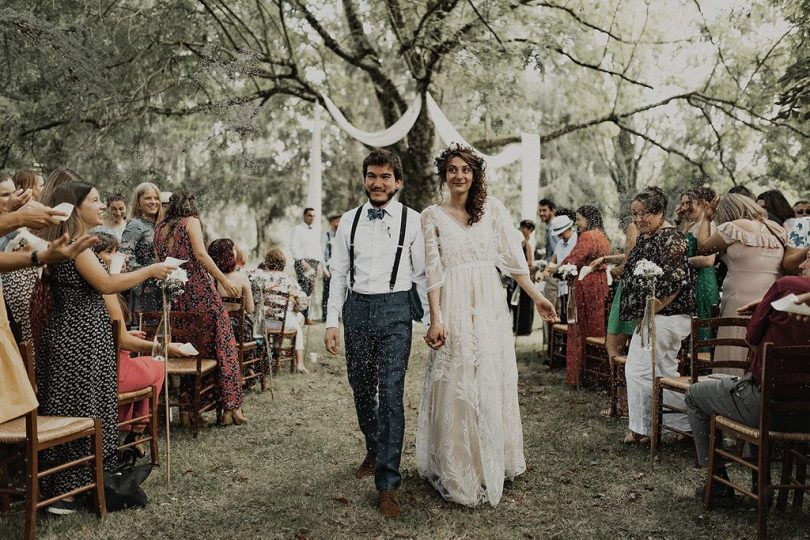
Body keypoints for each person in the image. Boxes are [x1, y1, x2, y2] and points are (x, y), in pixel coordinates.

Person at [416, 144, 556, 508]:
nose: (458, 175)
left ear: (475, 174)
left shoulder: (492, 209)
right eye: (451, 169)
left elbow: (513, 261)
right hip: (453, 304)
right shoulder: (430, 216)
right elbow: (432, 270)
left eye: (465, 169)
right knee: (457, 380)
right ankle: (458, 466)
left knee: (489, 377)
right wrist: (436, 317)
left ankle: (495, 458)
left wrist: (537, 295)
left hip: (490, 306)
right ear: (444, 176)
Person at [31, 180, 174, 514]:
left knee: (88, 408)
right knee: (77, 410)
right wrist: (152, 270)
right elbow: (107, 283)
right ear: (76, 207)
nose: (102, 206)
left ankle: (81, 484)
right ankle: (66, 493)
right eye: (95, 200)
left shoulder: (78, 244)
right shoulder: (77, 246)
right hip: (75, 338)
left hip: (84, 335)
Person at [323, 148, 429, 519]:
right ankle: (374, 445)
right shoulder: (348, 221)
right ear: (364, 178)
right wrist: (332, 321)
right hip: (357, 310)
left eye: (386, 177)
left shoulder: (412, 221)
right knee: (362, 387)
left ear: (397, 182)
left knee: (392, 394)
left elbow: (421, 276)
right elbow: (338, 274)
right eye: (372, 175)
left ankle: (388, 484)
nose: (378, 183)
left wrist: (431, 320)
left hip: (396, 310)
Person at [685, 258, 810, 502]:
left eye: (809, 258)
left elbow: (752, 338)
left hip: (766, 408)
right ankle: (757, 480)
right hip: (805, 417)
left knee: (695, 395)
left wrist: (768, 308)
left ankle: (718, 484)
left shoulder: (788, 285)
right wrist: (769, 306)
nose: (802, 264)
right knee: (748, 385)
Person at [91, 233, 190, 456]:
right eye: (109, 252)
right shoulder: (106, 291)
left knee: (148, 366)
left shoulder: (103, 289)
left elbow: (110, 334)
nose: (117, 257)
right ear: (93, 260)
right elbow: (121, 340)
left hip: (107, 369)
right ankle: (136, 430)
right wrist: (164, 348)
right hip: (114, 375)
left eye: (117, 251)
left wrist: (129, 334)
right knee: (158, 364)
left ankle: (130, 429)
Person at [154, 191, 245, 425]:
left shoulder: (160, 228)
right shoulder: (190, 222)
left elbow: (160, 261)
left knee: (191, 351)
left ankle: (187, 412)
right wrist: (224, 281)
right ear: (191, 206)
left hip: (176, 295)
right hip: (199, 292)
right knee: (224, 346)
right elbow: (201, 256)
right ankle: (230, 408)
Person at [620, 187, 695, 444]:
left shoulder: (671, 238)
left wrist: (649, 313)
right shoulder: (645, 237)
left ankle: (642, 429)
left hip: (669, 315)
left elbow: (675, 284)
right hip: (655, 314)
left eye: (644, 214)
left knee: (637, 370)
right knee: (664, 372)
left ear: (660, 212)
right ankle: (684, 424)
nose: (638, 219)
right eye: (634, 214)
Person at [694, 193, 785, 371]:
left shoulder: (734, 226)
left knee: (735, 348)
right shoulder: (777, 228)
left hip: (739, 299)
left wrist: (706, 218)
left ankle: (732, 389)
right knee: (763, 345)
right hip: (770, 299)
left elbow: (704, 248)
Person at [559, 205, 611, 387]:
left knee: (581, 328)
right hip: (601, 283)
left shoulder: (588, 236)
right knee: (598, 326)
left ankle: (582, 375)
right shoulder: (603, 236)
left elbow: (574, 258)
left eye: (579, 219)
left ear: (588, 219)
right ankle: (599, 373)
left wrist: (558, 269)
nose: (577, 224)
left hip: (586, 285)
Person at [253, 247, 309, 373]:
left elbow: (255, 298)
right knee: (298, 322)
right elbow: (303, 303)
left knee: (292, 318)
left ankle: (273, 357)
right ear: (283, 263)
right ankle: (299, 363)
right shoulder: (289, 280)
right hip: (284, 323)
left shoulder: (260, 277)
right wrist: (296, 306)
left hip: (264, 322)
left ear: (267, 262)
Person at [592, 222, 639, 362]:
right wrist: (606, 259)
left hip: (629, 289)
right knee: (636, 346)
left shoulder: (634, 226)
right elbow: (631, 255)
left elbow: (628, 262)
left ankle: (615, 382)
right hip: (640, 289)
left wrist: (611, 272)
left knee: (613, 345)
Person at [681, 187, 720, 343]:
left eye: (688, 203)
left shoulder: (709, 226)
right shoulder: (691, 225)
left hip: (703, 282)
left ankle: (702, 362)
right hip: (691, 281)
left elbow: (708, 260)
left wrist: (683, 262)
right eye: (682, 204)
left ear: (704, 204)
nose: (684, 208)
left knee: (702, 321)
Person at [121, 182, 163, 322]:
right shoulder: (135, 225)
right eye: (148, 198)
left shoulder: (160, 225)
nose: (153, 202)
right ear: (138, 203)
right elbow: (125, 256)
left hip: (163, 288)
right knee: (145, 332)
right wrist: (148, 272)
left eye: (156, 198)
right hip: (143, 290)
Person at [208, 237, 255, 343]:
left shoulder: (210, 278)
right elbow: (250, 309)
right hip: (237, 331)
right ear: (229, 255)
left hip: (217, 329)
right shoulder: (242, 278)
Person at [540, 214, 578, 321]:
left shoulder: (577, 240)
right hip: (562, 286)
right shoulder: (560, 243)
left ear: (569, 229)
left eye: (562, 234)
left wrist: (557, 268)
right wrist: (543, 274)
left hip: (572, 284)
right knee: (563, 316)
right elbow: (553, 261)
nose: (560, 237)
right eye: (559, 235)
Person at [290, 207, 322, 323]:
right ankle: (301, 316)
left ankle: (307, 316)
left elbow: (317, 249)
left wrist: (318, 264)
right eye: (309, 215)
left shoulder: (315, 230)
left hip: (313, 263)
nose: (312, 218)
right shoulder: (298, 229)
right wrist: (301, 261)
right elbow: (293, 246)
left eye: (313, 216)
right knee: (302, 289)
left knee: (310, 290)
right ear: (304, 216)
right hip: (302, 262)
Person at [538, 198, 559, 341]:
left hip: (553, 275)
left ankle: (552, 347)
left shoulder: (554, 228)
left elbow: (557, 254)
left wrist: (546, 270)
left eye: (544, 210)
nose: (541, 213)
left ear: (552, 210)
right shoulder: (549, 227)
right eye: (539, 211)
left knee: (551, 310)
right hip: (549, 271)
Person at [513, 219, 536, 335]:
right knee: (519, 302)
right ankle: (518, 327)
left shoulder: (528, 244)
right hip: (520, 275)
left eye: (524, 228)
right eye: (521, 228)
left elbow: (531, 262)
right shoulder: (520, 243)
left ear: (530, 230)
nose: (522, 230)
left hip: (527, 276)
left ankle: (526, 328)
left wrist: (519, 266)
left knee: (526, 303)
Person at [321, 214, 340, 319]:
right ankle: (325, 314)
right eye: (335, 221)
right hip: (329, 267)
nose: (338, 223)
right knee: (327, 292)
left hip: (340, 268)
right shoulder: (326, 236)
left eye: (339, 221)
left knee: (340, 291)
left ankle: (338, 314)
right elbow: (322, 253)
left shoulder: (342, 235)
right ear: (331, 222)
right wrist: (324, 269)